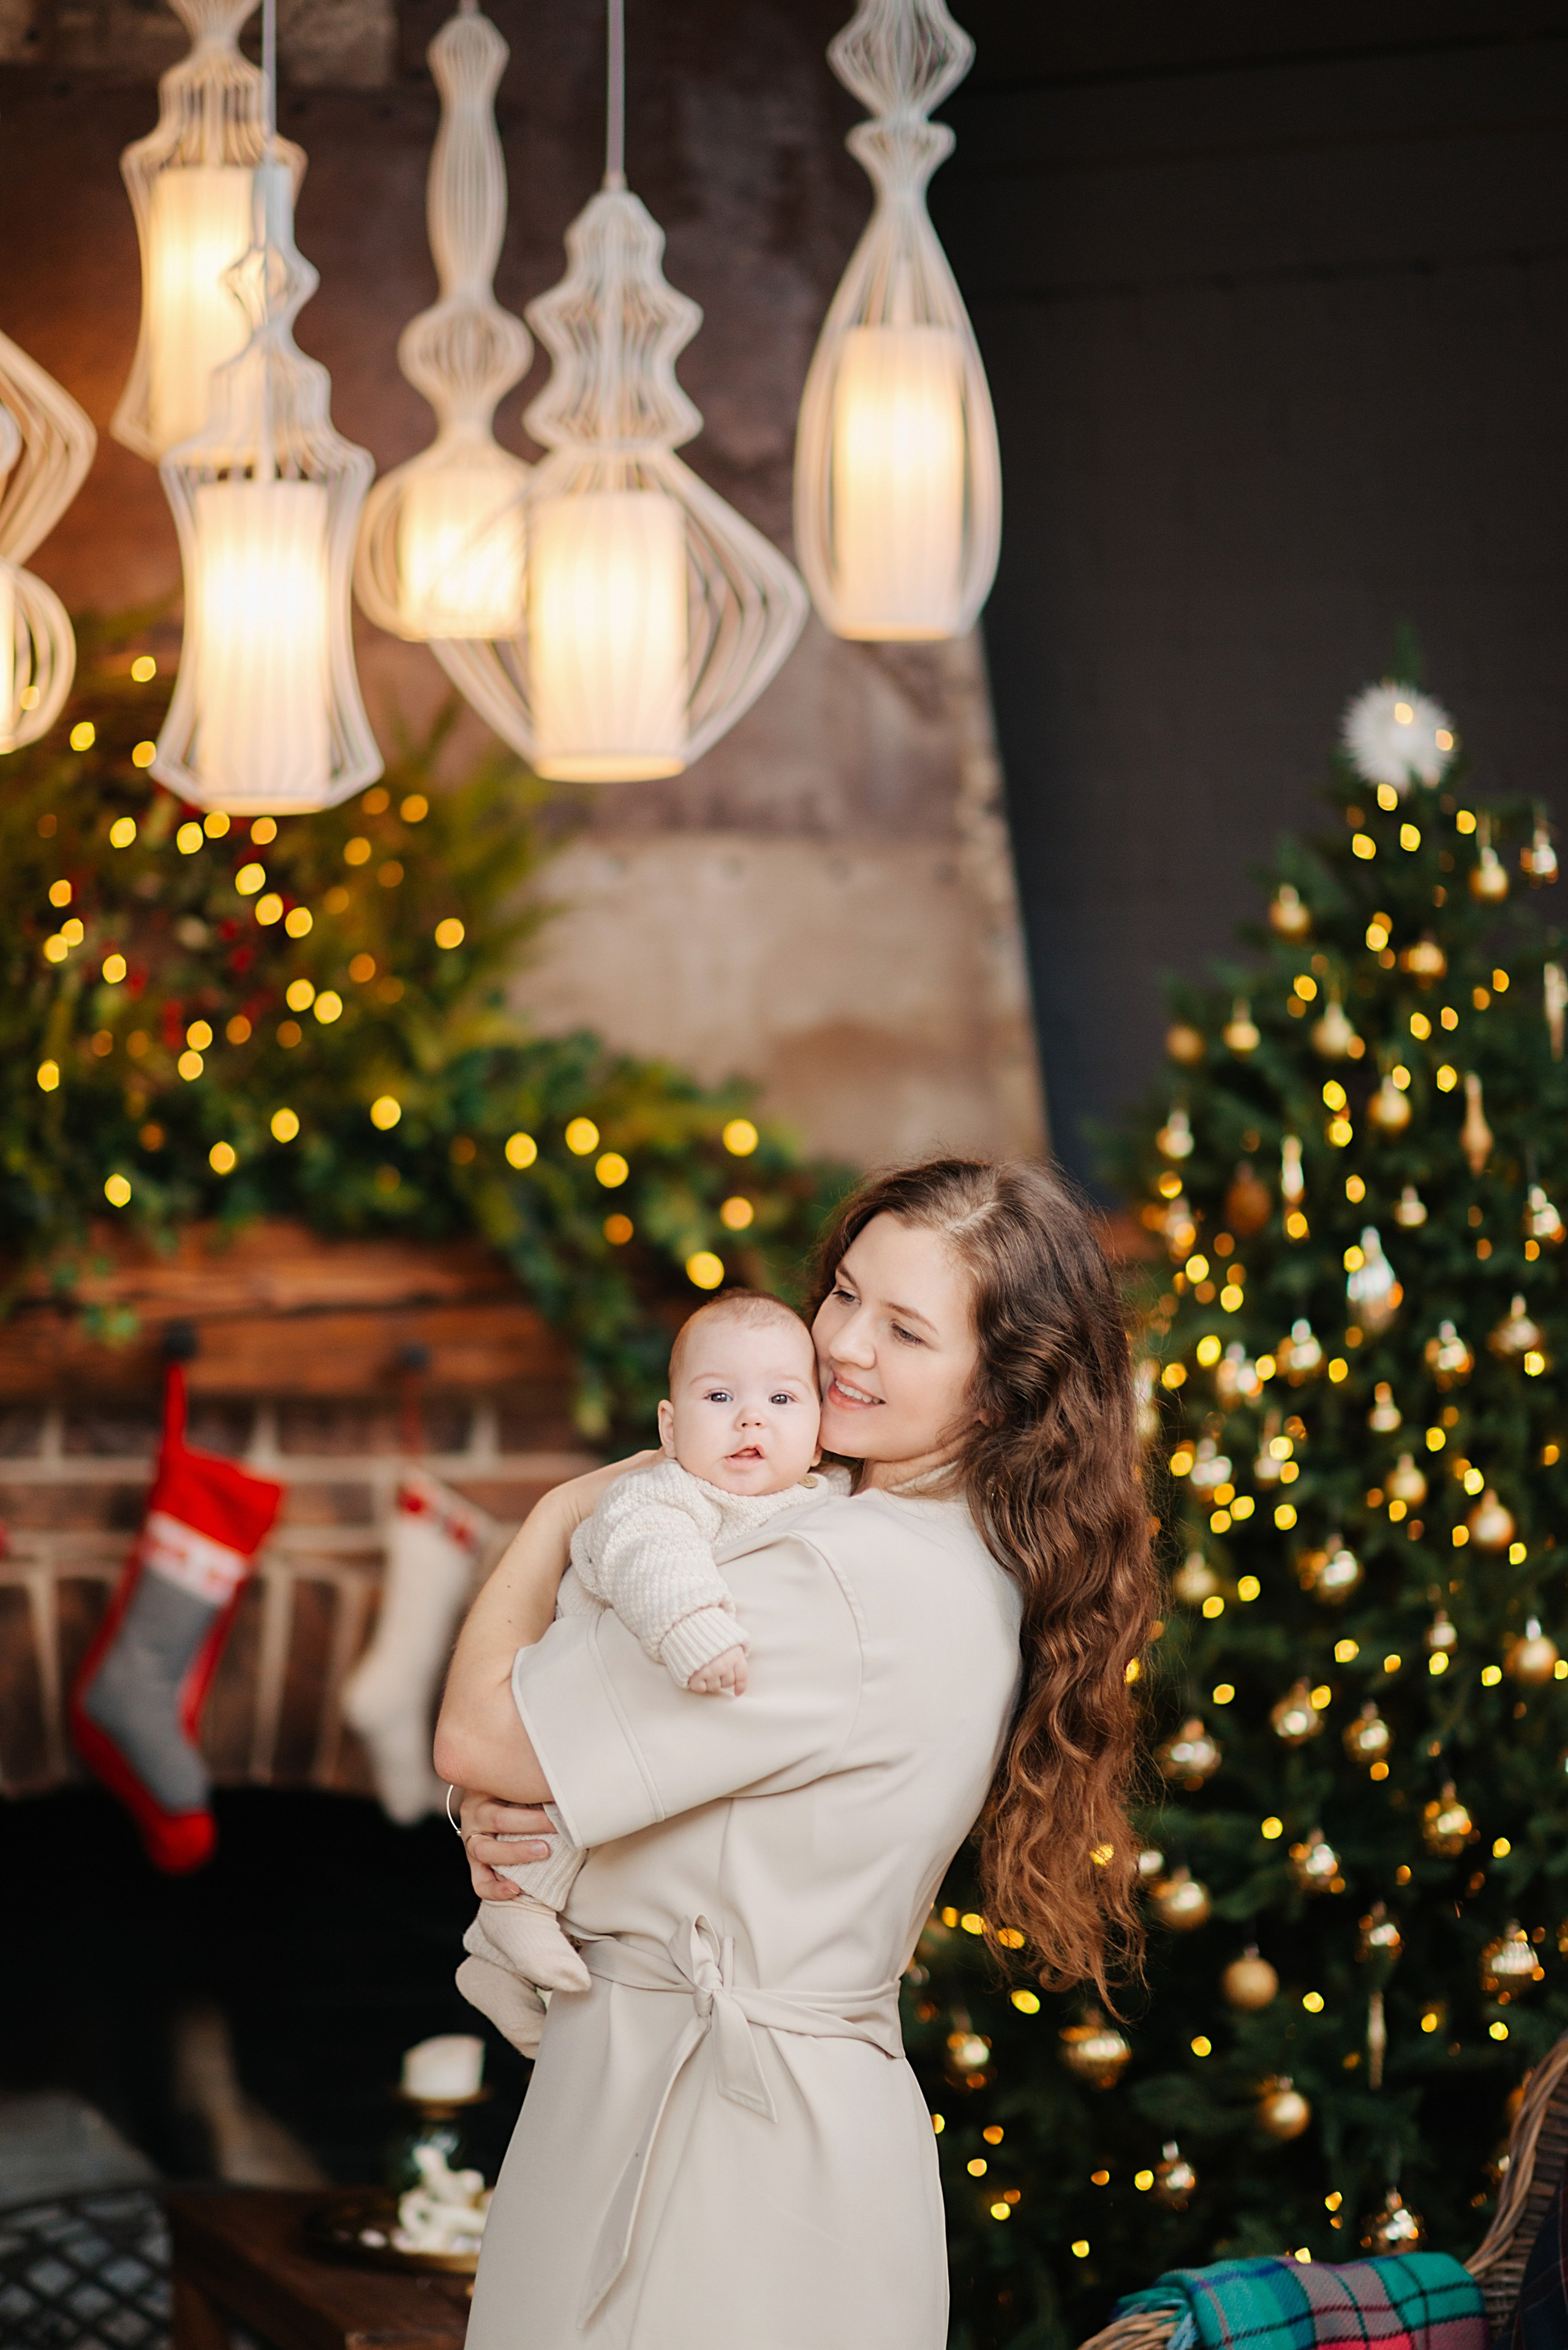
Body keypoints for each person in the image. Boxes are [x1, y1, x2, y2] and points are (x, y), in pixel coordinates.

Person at [435, 1157, 1157, 2350]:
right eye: (842, 1294)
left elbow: (476, 1734)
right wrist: (515, 1808)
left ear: (995, 1392)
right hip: (762, 2127)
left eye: (906, 1329)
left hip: (714, 2164)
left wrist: (564, 1508)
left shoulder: (841, 1574)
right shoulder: (893, 1541)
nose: (841, 1346)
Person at [457, 1289, 847, 2023]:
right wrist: (694, 1630)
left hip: (633, 1727)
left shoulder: (819, 1501)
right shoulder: (664, 1495)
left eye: (782, 1398)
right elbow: (650, 1559)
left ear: (820, 1437)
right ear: (669, 1427)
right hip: (591, 1682)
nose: (750, 1417)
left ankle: (493, 1964)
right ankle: (513, 1914)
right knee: (564, 1809)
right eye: (720, 1395)